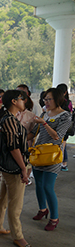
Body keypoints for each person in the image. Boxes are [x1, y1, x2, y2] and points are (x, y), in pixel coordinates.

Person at [0, 90, 34, 247]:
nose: (25, 101)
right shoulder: (10, 120)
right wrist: (24, 169)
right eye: (22, 99)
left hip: (8, 166)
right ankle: (18, 236)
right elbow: (13, 147)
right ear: (14, 102)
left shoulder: (7, 118)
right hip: (15, 166)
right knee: (15, 204)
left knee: (2, 197)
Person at [27, 88, 72, 231]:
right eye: (45, 99)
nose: (45, 102)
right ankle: (42, 210)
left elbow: (57, 136)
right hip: (39, 154)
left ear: (57, 99)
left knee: (47, 186)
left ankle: (54, 217)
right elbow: (33, 133)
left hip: (53, 155)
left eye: (49, 99)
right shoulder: (44, 113)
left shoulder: (65, 116)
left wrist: (44, 123)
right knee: (39, 185)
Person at [56, 83, 73, 171]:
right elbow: (70, 114)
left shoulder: (56, 102)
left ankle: (59, 164)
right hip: (66, 127)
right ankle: (63, 164)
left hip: (57, 126)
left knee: (60, 146)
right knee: (63, 145)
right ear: (66, 92)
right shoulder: (68, 103)